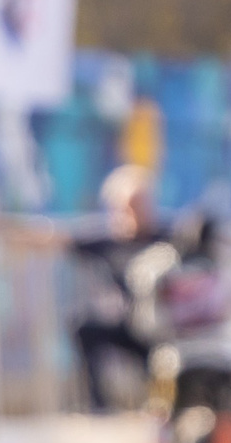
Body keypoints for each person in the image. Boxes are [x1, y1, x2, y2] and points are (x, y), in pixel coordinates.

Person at [70, 166, 172, 411]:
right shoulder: (109, 243)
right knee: (84, 328)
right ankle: (99, 407)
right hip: (132, 326)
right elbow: (53, 239)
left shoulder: (169, 238)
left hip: (167, 328)